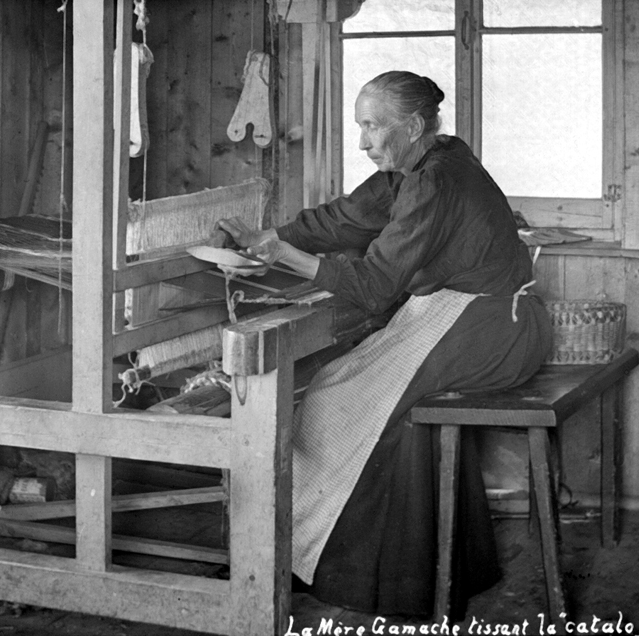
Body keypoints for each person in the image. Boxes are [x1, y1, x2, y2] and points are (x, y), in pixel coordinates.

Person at [217, 70, 552, 618]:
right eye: (360, 127)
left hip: (495, 327)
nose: (364, 141)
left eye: (372, 127)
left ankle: (368, 577)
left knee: (339, 404)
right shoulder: (414, 167)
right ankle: (338, 559)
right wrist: (268, 237)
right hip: (459, 314)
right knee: (336, 386)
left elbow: (375, 287)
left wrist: (283, 257)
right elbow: (341, 220)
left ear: (414, 125)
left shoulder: (435, 180)